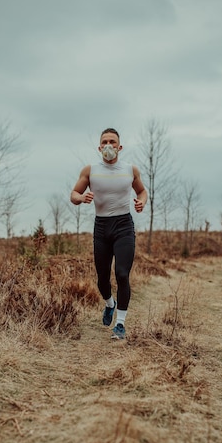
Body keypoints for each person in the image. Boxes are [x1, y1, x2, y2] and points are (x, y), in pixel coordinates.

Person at [70, 128, 147, 340]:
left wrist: (142, 202)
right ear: (99, 147)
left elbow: (142, 191)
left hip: (123, 226)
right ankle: (109, 304)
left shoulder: (130, 169)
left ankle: (120, 325)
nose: (108, 146)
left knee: (122, 274)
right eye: (104, 142)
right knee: (102, 278)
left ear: (119, 147)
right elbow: (73, 194)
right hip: (102, 227)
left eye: (112, 142)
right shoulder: (90, 170)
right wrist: (81, 197)